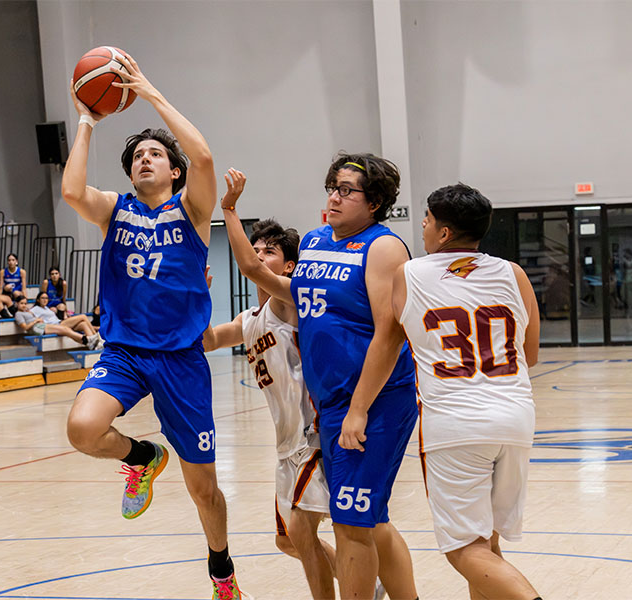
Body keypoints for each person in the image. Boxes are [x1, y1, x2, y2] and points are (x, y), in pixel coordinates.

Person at [61, 52, 247, 599]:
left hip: (181, 358)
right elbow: (71, 191)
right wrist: (87, 119)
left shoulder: (193, 210)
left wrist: (148, 92)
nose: (145, 159)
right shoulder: (114, 209)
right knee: (82, 429)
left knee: (203, 489)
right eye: (138, 155)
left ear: (174, 171)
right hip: (124, 351)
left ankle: (221, 571)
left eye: (155, 154)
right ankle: (143, 457)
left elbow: (204, 156)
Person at [236, 154, 419, 599]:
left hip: (376, 401)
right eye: (332, 187)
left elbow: (389, 332)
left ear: (374, 202)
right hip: (331, 405)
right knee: (370, 519)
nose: (334, 197)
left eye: (346, 190)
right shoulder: (316, 240)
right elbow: (293, 291)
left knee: (350, 522)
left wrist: (359, 410)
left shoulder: (384, 247)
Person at [393, 183, 542, 600]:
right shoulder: (514, 273)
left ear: (443, 233)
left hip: (455, 424)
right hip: (515, 417)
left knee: (463, 549)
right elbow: (529, 355)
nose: (422, 226)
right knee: (486, 542)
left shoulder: (410, 273)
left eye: (426, 220)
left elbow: (387, 342)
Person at [203, 170, 339, 599]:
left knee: (301, 531)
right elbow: (207, 340)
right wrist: (198, 297)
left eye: (270, 251)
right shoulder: (249, 319)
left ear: (290, 265)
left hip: (313, 435)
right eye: (256, 249)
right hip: (285, 445)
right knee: (287, 540)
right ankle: (365, 582)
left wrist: (229, 209)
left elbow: (247, 266)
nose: (259, 256)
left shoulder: (290, 299)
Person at [14, 295, 100, 348]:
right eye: (21, 303)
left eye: (25, 303)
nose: (24, 305)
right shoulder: (18, 314)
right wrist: (36, 321)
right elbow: (25, 327)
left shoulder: (27, 311)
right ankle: (89, 340)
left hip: (40, 325)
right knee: (66, 329)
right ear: (17, 304)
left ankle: (91, 342)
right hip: (36, 328)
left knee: (73, 327)